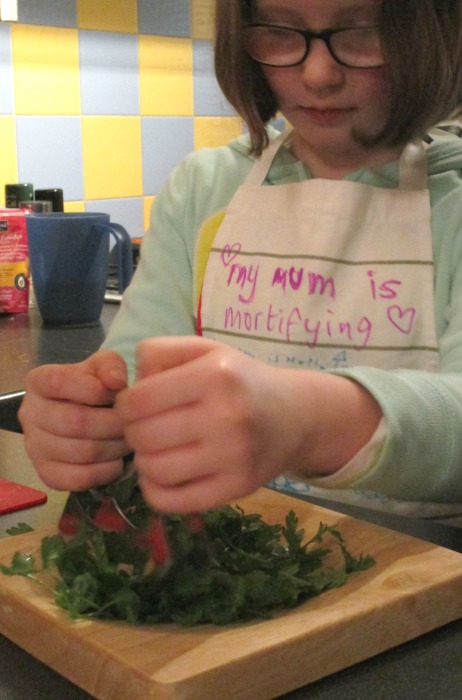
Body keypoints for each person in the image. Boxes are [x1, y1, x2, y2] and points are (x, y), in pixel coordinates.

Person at [19, 0, 462, 521]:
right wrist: (86, 422)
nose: (318, 74)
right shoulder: (204, 189)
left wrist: (305, 422)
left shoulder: (449, 201)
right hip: (229, 559)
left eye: (364, 31)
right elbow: (135, 372)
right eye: (280, 32)